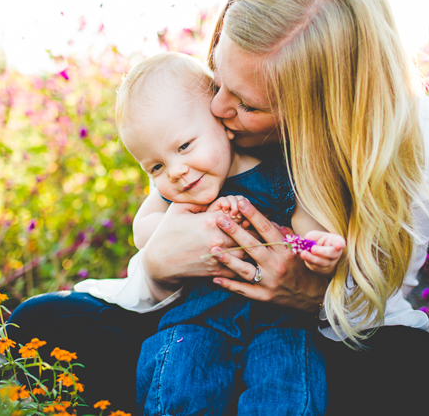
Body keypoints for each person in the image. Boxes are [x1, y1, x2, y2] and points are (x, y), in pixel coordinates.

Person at [10, 0, 429, 416]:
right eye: (217, 76)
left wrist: (311, 292)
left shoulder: (408, 132)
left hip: (306, 336)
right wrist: (157, 264)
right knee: (40, 321)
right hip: (196, 323)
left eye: (247, 105)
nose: (217, 106)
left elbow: (385, 288)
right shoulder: (212, 124)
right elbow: (156, 231)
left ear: (315, 109)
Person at [117, 52, 340, 416]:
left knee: (286, 387)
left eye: (185, 146)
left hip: (279, 318)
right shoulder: (173, 196)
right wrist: (175, 226)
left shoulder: (280, 168)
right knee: (179, 383)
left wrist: (320, 247)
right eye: (155, 166)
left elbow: (304, 224)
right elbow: (143, 231)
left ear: (220, 121)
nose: (175, 171)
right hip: (198, 319)